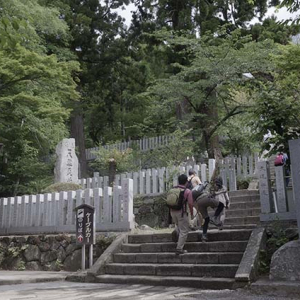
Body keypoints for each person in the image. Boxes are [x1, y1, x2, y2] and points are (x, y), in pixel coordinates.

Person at [170, 174, 194, 255]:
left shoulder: (173, 189)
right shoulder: (187, 191)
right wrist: (191, 213)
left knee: (179, 227)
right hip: (182, 212)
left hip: (172, 212)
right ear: (186, 182)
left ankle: (178, 239)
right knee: (184, 230)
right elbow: (190, 204)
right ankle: (179, 248)